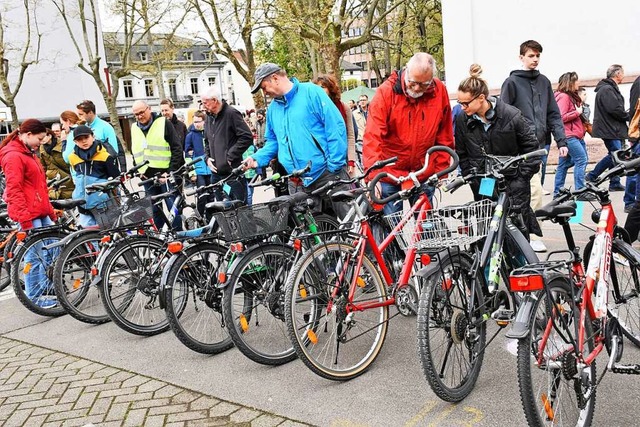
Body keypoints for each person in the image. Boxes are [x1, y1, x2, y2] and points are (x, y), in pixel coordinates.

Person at [243, 62, 349, 218]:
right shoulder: (272, 109)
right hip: (298, 181)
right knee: (312, 237)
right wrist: (256, 158)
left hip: (327, 173)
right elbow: (273, 142)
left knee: (354, 223)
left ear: (275, 78)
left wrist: (334, 165)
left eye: (264, 87)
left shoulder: (312, 92)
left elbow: (335, 128)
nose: (264, 93)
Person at [362, 52, 454, 215]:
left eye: (424, 84)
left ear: (432, 80)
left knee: (426, 228)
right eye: (413, 82)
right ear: (406, 72)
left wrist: (442, 170)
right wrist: (373, 178)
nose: (417, 88)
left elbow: (444, 134)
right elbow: (373, 137)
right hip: (389, 174)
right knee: (391, 229)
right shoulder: (386, 93)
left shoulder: (439, 91)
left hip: (422, 171)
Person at [455, 64, 541, 238]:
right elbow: (461, 153)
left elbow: (532, 149)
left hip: (513, 184)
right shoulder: (462, 119)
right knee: (488, 231)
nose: (462, 107)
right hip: (483, 185)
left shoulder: (511, 115)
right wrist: (472, 176)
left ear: (481, 98)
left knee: (517, 231)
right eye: (460, 103)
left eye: (465, 103)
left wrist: (520, 177)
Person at [500, 40, 568, 252]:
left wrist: (561, 140)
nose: (535, 59)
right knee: (530, 191)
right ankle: (527, 235)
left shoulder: (544, 82)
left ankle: (526, 232)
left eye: (538, 55)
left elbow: (553, 113)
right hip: (521, 149)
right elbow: (504, 115)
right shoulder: (511, 82)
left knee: (533, 191)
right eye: (531, 55)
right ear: (521, 57)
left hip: (542, 145)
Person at [0, 119, 57, 308]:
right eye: (39, 139)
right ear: (28, 135)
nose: (40, 143)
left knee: (50, 250)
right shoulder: (14, 156)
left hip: (38, 211)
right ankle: (35, 296)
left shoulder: (27, 152)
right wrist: (24, 219)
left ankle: (47, 288)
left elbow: (38, 187)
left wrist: (49, 211)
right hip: (30, 213)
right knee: (34, 255)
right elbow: (14, 189)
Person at [131, 100, 185, 230]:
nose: (139, 116)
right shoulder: (134, 127)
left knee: (172, 207)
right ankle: (159, 239)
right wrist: (137, 169)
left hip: (164, 174)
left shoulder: (163, 123)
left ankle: (178, 236)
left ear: (149, 109)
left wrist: (170, 171)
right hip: (147, 176)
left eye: (142, 112)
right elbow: (135, 150)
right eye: (136, 114)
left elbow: (177, 148)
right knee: (154, 210)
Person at [200, 87, 253, 204]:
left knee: (240, 210)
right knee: (221, 211)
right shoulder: (209, 117)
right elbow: (207, 140)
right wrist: (207, 158)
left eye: (205, 103)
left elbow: (247, 137)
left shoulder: (231, 113)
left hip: (232, 173)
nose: (203, 106)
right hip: (216, 174)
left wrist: (230, 156)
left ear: (214, 100)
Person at [67, 125, 120, 227]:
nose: (83, 141)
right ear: (75, 142)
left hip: (102, 203)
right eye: (79, 139)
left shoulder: (105, 156)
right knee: (88, 235)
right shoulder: (72, 157)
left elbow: (115, 178)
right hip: (82, 203)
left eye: (86, 137)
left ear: (93, 136)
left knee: (108, 231)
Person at [587, 64, 629, 191]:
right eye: (622, 73)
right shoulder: (607, 89)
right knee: (615, 155)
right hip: (610, 129)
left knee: (615, 155)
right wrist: (628, 115)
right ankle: (591, 176)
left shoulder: (609, 88)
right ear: (617, 74)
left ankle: (614, 182)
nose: (623, 75)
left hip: (612, 128)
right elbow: (614, 109)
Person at [552, 72, 590, 199]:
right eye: (576, 81)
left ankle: (558, 193)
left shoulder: (568, 96)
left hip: (572, 135)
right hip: (570, 136)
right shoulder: (564, 97)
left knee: (563, 165)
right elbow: (560, 117)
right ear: (570, 82)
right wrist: (576, 112)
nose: (578, 84)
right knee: (581, 160)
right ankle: (580, 191)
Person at [313, 74, 357, 175]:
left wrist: (351, 161)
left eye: (323, 87)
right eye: (317, 87)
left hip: (342, 159)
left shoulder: (343, 107)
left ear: (330, 89)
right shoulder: (311, 109)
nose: (320, 90)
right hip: (320, 161)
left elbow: (350, 135)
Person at [65, 100, 126, 171]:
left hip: (103, 170)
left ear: (90, 112)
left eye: (81, 114)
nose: (79, 117)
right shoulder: (82, 127)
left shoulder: (106, 127)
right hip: (88, 170)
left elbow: (114, 151)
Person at [184, 110, 213, 216]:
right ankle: (200, 217)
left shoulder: (209, 132)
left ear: (204, 121)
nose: (196, 124)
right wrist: (192, 173)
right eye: (194, 122)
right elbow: (187, 156)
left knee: (211, 195)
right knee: (202, 196)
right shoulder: (190, 136)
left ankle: (211, 218)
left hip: (210, 169)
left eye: (198, 121)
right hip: (198, 171)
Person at [40, 128, 75, 199]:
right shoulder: (41, 148)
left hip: (67, 179)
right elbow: (43, 166)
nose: (41, 139)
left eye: (43, 137)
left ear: (50, 136)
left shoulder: (63, 144)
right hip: (52, 180)